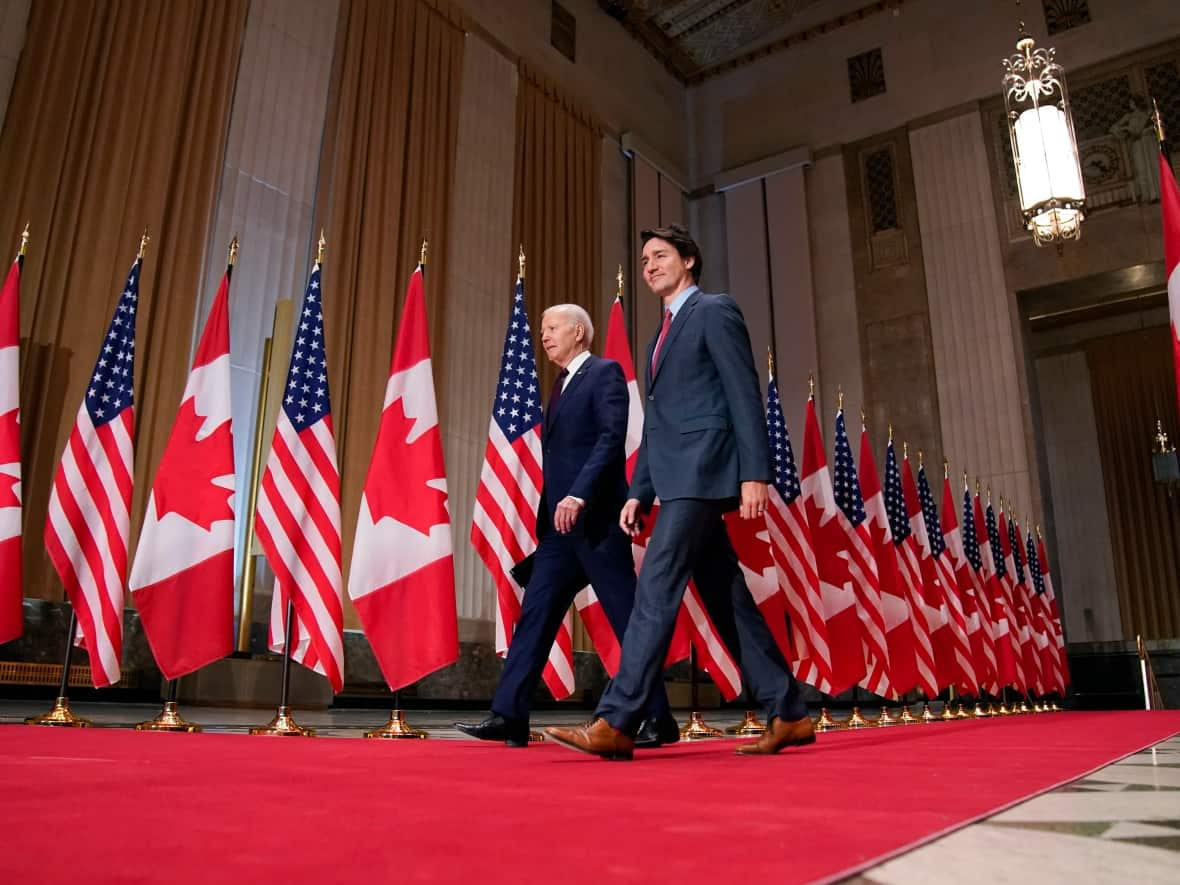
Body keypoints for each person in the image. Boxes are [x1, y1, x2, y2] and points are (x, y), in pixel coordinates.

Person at [546, 224, 813, 760]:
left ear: (689, 260)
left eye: (660, 255)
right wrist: (638, 491)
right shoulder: (656, 337)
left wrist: (753, 472)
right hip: (673, 476)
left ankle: (618, 719)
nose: (649, 265)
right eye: (644, 259)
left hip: (706, 474)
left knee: (656, 585)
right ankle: (788, 710)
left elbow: (743, 391)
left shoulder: (715, 310)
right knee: (724, 594)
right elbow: (661, 423)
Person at [456, 304, 677, 748]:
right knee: (535, 616)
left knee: (627, 619)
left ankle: (658, 717)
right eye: (541, 329)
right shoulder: (558, 386)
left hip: (595, 523)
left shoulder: (605, 373)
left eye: (552, 327)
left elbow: (611, 439)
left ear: (578, 331)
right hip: (559, 532)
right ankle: (509, 716)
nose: (544, 335)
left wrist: (579, 494)